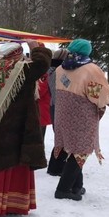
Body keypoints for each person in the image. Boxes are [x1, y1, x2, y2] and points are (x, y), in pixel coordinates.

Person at [0, 41, 52, 216]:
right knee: (15, 164)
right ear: (17, 54)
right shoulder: (19, 70)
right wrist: (36, 48)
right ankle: (12, 203)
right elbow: (42, 64)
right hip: (17, 126)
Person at [53, 39, 109, 201]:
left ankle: (76, 186)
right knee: (81, 150)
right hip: (81, 115)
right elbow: (99, 95)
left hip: (63, 114)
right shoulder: (91, 69)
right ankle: (63, 189)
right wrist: (105, 100)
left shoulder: (61, 67)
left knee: (73, 148)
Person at [46, 48, 70, 176]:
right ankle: (57, 167)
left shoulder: (50, 69)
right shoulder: (59, 71)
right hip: (59, 106)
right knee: (63, 138)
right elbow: (69, 85)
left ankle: (54, 167)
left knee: (60, 137)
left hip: (54, 105)